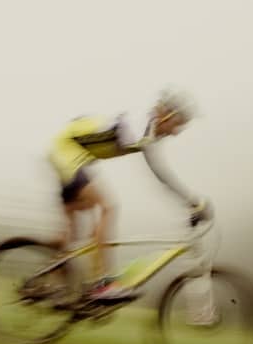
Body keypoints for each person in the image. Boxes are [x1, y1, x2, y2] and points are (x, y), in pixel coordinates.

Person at [48, 87, 210, 301]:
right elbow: (159, 173)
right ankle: (101, 285)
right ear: (166, 115)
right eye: (178, 124)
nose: (176, 131)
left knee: (73, 232)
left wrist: (189, 202)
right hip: (67, 152)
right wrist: (192, 202)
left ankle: (51, 286)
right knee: (108, 208)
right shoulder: (140, 127)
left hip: (70, 153)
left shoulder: (146, 130)